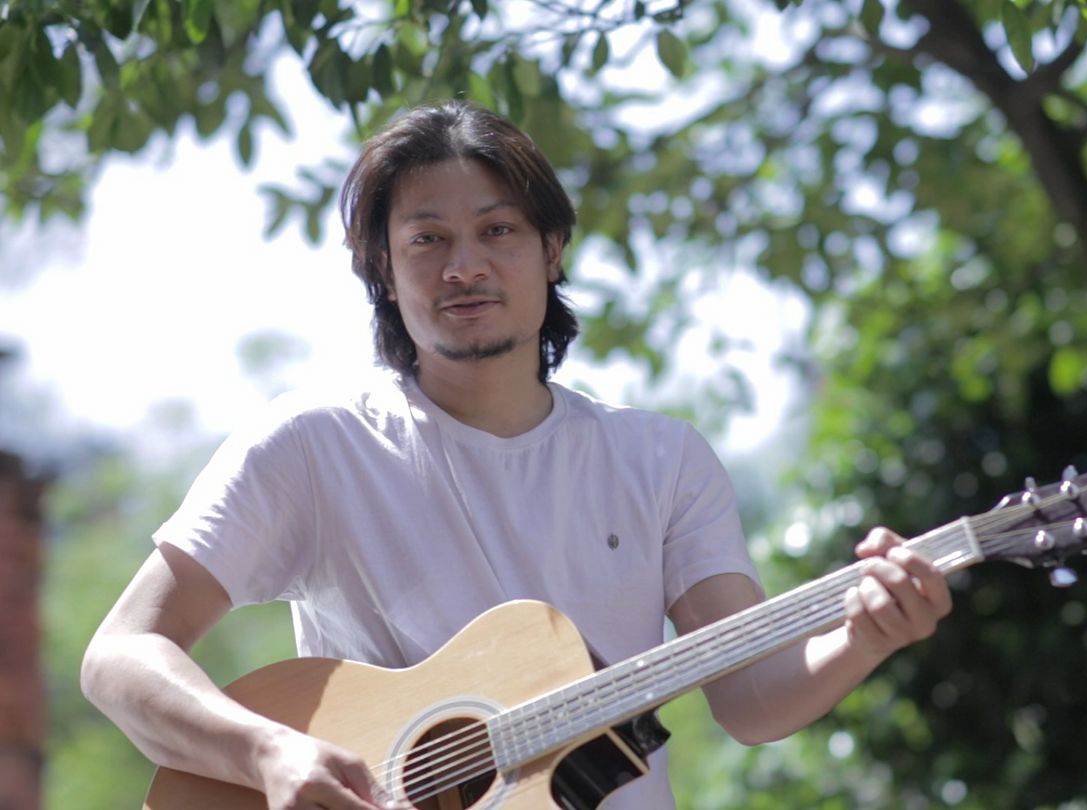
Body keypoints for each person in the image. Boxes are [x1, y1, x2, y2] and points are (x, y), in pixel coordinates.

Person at [80, 100, 953, 810]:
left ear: (552, 249)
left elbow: (752, 700)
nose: (464, 267)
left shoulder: (662, 460)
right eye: (427, 240)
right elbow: (119, 656)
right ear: (383, 266)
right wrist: (268, 752)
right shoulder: (312, 446)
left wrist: (864, 635)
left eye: (498, 230)